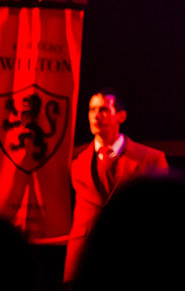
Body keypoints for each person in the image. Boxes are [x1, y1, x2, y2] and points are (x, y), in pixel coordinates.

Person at [63, 90, 168, 283]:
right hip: (85, 258)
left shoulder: (151, 159)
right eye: (92, 110)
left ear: (121, 116)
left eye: (103, 110)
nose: (96, 116)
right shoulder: (74, 159)